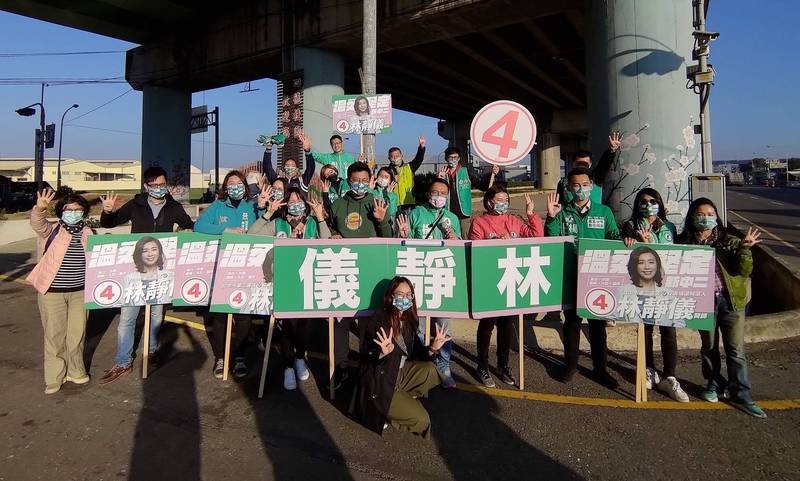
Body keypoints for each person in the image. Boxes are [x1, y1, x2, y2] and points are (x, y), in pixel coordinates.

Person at [98, 166, 194, 384]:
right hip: (134, 270)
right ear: (146, 186)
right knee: (127, 318)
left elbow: (188, 225)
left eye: (162, 185)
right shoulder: (136, 204)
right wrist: (108, 211)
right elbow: (109, 223)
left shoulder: (173, 206)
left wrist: (184, 232)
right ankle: (123, 361)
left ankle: (150, 352)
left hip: (160, 271)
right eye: (154, 185)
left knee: (156, 315)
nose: (159, 189)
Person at [678, 198, 766, 418]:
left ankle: (742, 394)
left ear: (716, 216)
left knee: (735, 350)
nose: (706, 218)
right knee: (709, 347)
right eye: (700, 214)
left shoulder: (731, 241)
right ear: (692, 217)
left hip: (731, 301)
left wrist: (745, 249)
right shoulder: (684, 243)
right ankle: (714, 384)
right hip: (703, 302)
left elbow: (744, 270)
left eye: (710, 213)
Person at [545, 166, 620, 388]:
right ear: (568, 188)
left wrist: (627, 240)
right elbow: (551, 239)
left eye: (585, 185)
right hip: (570, 273)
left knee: (597, 324)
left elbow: (614, 236)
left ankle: (600, 369)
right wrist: (550, 218)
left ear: (592, 186)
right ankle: (571, 365)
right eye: (576, 185)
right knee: (572, 322)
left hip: (596, 276)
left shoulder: (603, 211)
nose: (581, 189)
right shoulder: (562, 212)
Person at [248, 187, 330, 389]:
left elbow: (328, 242)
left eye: (299, 200)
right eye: (290, 201)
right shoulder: (278, 223)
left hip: (308, 283)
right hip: (283, 282)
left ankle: (300, 357)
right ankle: (288, 367)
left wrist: (320, 218)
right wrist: (268, 213)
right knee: (287, 326)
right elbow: (251, 235)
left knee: (305, 325)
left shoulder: (312, 223)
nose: (295, 204)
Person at [195, 170, 269, 379]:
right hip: (222, 268)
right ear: (226, 188)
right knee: (219, 315)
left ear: (245, 187)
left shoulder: (252, 206)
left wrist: (262, 207)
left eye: (239, 184)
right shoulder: (217, 207)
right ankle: (220, 357)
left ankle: (238, 357)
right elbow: (199, 225)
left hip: (247, 268)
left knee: (244, 317)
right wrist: (226, 229)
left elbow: (263, 228)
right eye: (231, 184)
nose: (235, 187)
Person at [468, 186, 543, 387]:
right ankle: (482, 365)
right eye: (499, 199)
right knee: (487, 324)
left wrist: (531, 214)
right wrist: (495, 245)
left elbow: (537, 236)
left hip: (510, 280)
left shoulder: (513, 221)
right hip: (489, 281)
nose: (503, 203)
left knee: (506, 325)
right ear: (489, 201)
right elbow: (475, 250)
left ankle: (503, 365)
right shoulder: (479, 222)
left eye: (506, 200)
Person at [354, 277, 448, 438]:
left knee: (431, 370)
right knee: (423, 420)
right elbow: (366, 355)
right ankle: (385, 413)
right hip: (380, 383)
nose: (404, 299)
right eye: (400, 294)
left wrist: (433, 348)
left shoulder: (408, 320)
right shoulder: (378, 319)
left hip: (399, 373)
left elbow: (419, 354)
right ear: (391, 296)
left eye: (408, 295)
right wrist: (382, 353)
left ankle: (402, 400)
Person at [328, 161, 392, 389]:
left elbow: (388, 238)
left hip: (371, 272)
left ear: (371, 180)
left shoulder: (378, 202)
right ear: (348, 180)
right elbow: (329, 229)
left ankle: (369, 369)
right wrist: (333, 234)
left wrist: (381, 219)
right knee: (340, 323)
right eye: (356, 180)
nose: (360, 184)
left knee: (368, 325)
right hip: (344, 269)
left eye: (365, 180)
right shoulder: (337, 204)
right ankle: (341, 368)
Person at [621, 188, 689, 402]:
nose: (648, 204)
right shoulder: (631, 225)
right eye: (643, 201)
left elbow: (676, 253)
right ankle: (649, 368)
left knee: (669, 331)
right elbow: (627, 254)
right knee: (646, 330)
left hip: (667, 289)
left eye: (652, 200)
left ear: (659, 203)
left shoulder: (668, 227)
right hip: (643, 288)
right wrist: (632, 241)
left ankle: (670, 376)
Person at [26, 189, 93, 394]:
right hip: (52, 291)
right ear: (61, 211)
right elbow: (38, 223)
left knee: (77, 333)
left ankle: (75, 370)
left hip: (80, 291)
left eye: (78, 209)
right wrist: (40, 208)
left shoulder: (88, 232)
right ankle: (54, 377)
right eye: (69, 209)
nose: (74, 213)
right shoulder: (52, 230)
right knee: (54, 335)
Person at [396, 178, 461, 388]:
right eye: (435, 192)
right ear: (428, 194)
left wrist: (456, 239)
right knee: (419, 327)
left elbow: (459, 250)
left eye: (443, 193)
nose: (439, 196)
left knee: (444, 326)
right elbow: (403, 245)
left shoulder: (452, 218)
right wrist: (402, 235)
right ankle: (421, 366)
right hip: (418, 278)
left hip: (441, 277)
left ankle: (444, 365)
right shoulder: (416, 214)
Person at [438, 146, 501, 236]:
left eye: (455, 157)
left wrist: (492, 174)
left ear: (459, 158)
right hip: (447, 213)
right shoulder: (442, 173)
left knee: (466, 237)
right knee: (449, 238)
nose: (453, 160)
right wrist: (439, 178)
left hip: (464, 214)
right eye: (450, 157)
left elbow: (482, 185)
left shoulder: (466, 171)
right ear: (446, 158)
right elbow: (435, 191)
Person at [556, 132, 621, 205]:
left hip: (594, 214)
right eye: (579, 163)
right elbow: (558, 203)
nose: (582, 166)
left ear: (590, 164)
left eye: (585, 164)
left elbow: (604, 165)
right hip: (571, 214)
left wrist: (611, 150)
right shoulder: (563, 182)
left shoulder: (595, 178)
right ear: (573, 163)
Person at [121, 237, 175, 306]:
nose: (150, 254)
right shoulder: (129, 278)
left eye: (154, 250)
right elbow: (124, 303)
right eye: (145, 251)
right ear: (139, 254)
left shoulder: (170, 275)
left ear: (159, 251)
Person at [387, 136, 426, 210]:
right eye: (392, 156)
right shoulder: (387, 171)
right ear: (389, 158)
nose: (395, 158)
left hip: (408, 203)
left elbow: (419, 159)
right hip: (393, 203)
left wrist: (421, 147)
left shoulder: (409, 167)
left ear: (402, 156)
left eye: (397, 156)